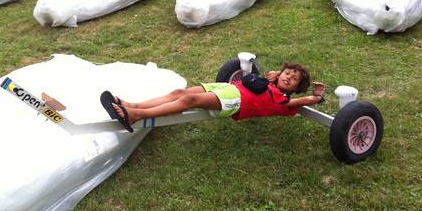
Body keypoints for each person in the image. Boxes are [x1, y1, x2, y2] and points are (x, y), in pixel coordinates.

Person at [100, 62, 326, 132]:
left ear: (297, 87)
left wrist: (316, 96)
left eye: (294, 79)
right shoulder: (267, 82)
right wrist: (273, 76)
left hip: (236, 101)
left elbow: (302, 101)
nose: (288, 77)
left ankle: (137, 115)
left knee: (189, 101)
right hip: (229, 87)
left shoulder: (284, 101)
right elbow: (261, 79)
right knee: (180, 93)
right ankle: (132, 105)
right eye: (287, 73)